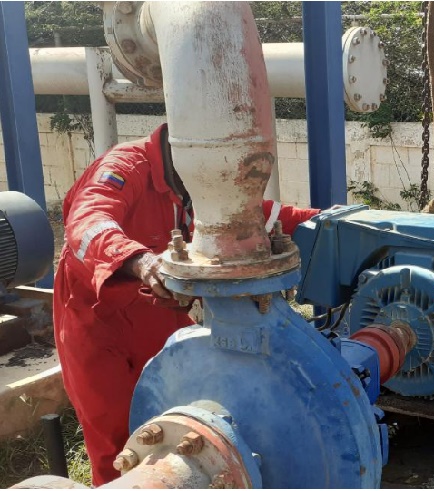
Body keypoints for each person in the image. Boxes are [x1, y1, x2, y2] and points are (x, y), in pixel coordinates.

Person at [53, 124, 320, 485]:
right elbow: (87, 221)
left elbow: (261, 216)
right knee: (117, 444)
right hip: (99, 323)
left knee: (180, 411)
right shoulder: (125, 168)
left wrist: (328, 221)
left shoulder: (202, 185)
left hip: (160, 309)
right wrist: (140, 262)